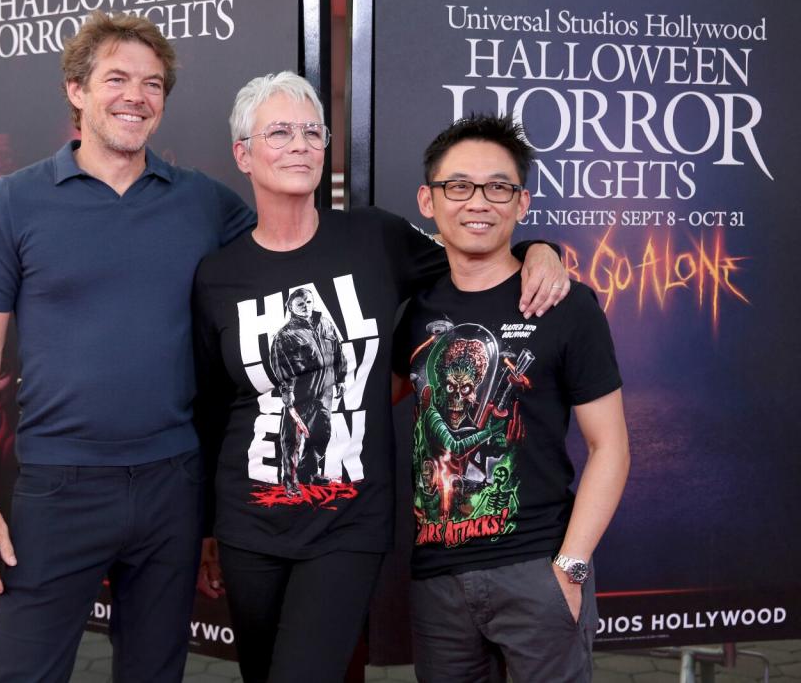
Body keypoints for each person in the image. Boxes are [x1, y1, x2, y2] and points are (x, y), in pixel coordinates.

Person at [191, 72, 570, 683]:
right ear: (244, 154)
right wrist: (208, 527)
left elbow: (476, 254)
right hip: (249, 523)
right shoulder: (218, 275)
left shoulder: (372, 237)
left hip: (349, 524)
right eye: (280, 132)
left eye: (313, 132)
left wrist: (542, 249)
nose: (300, 145)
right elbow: (213, 406)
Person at [0, 11, 254, 682]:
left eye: (152, 83)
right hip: (60, 488)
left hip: (174, 483)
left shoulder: (203, 202)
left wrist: (521, 254)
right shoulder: (14, 201)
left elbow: (299, 246)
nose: (136, 97)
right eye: (117, 78)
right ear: (76, 89)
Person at [392, 114, 631, 682]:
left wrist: (570, 569)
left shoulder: (565, 306)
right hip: (437, 578)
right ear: (429, 200)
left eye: (498, 187)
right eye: (459, 186)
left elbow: (611, 448)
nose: (478, 201)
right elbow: (368, 409)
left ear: (521, 203)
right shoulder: (416, 311)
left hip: (536, 570)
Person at [269, 287, 347, 496]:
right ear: (291, 307)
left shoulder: (326, 324)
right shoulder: (285, 335)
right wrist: (288, 392)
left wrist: (340, 378)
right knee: (292, 440)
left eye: (309, 302)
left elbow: (338, 351)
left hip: (324, 392)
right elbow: (280, 364)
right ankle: (291, 483)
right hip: (299, 395)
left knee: (323, 433)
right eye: (300, 304)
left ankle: (309, 473)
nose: (306, 307)